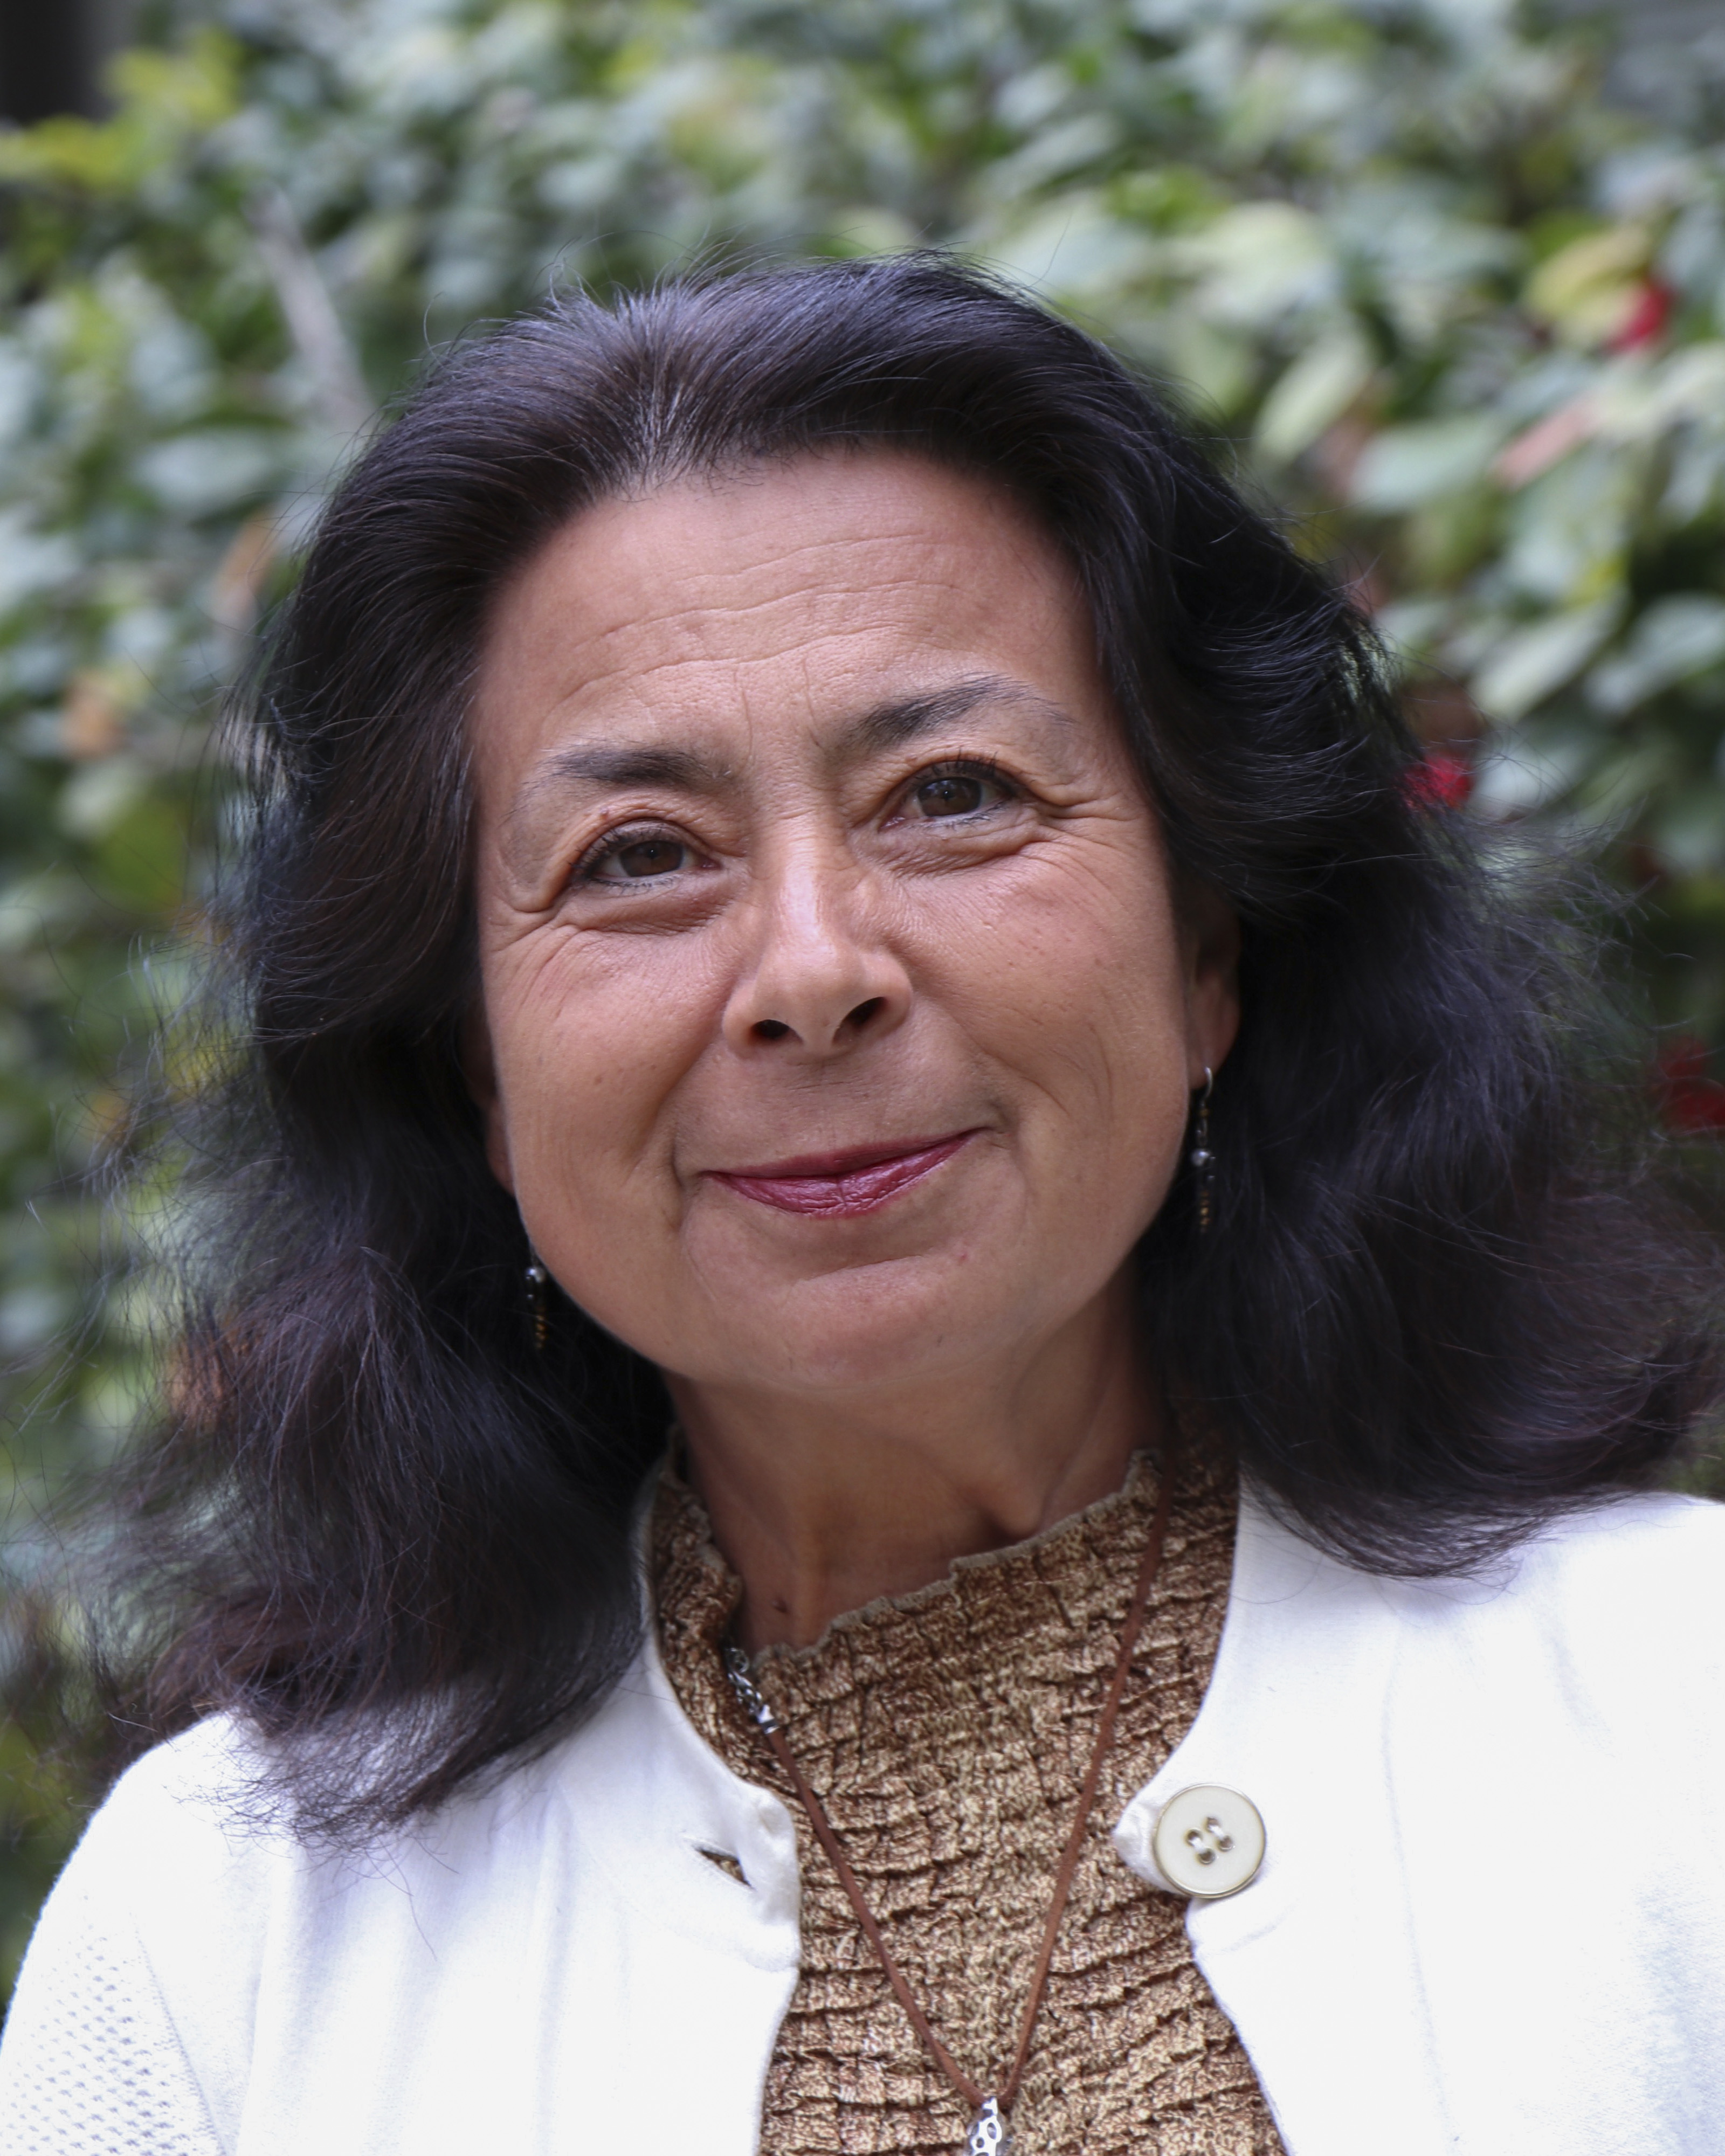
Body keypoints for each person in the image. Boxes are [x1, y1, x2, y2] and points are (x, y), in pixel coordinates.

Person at [2, 255, 1722, 2156]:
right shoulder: (225, 1942)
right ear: (477, 1074)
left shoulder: (1680, 1723)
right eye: (639, 856)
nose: (815, 969)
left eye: (953, 794)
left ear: (1208, 949)